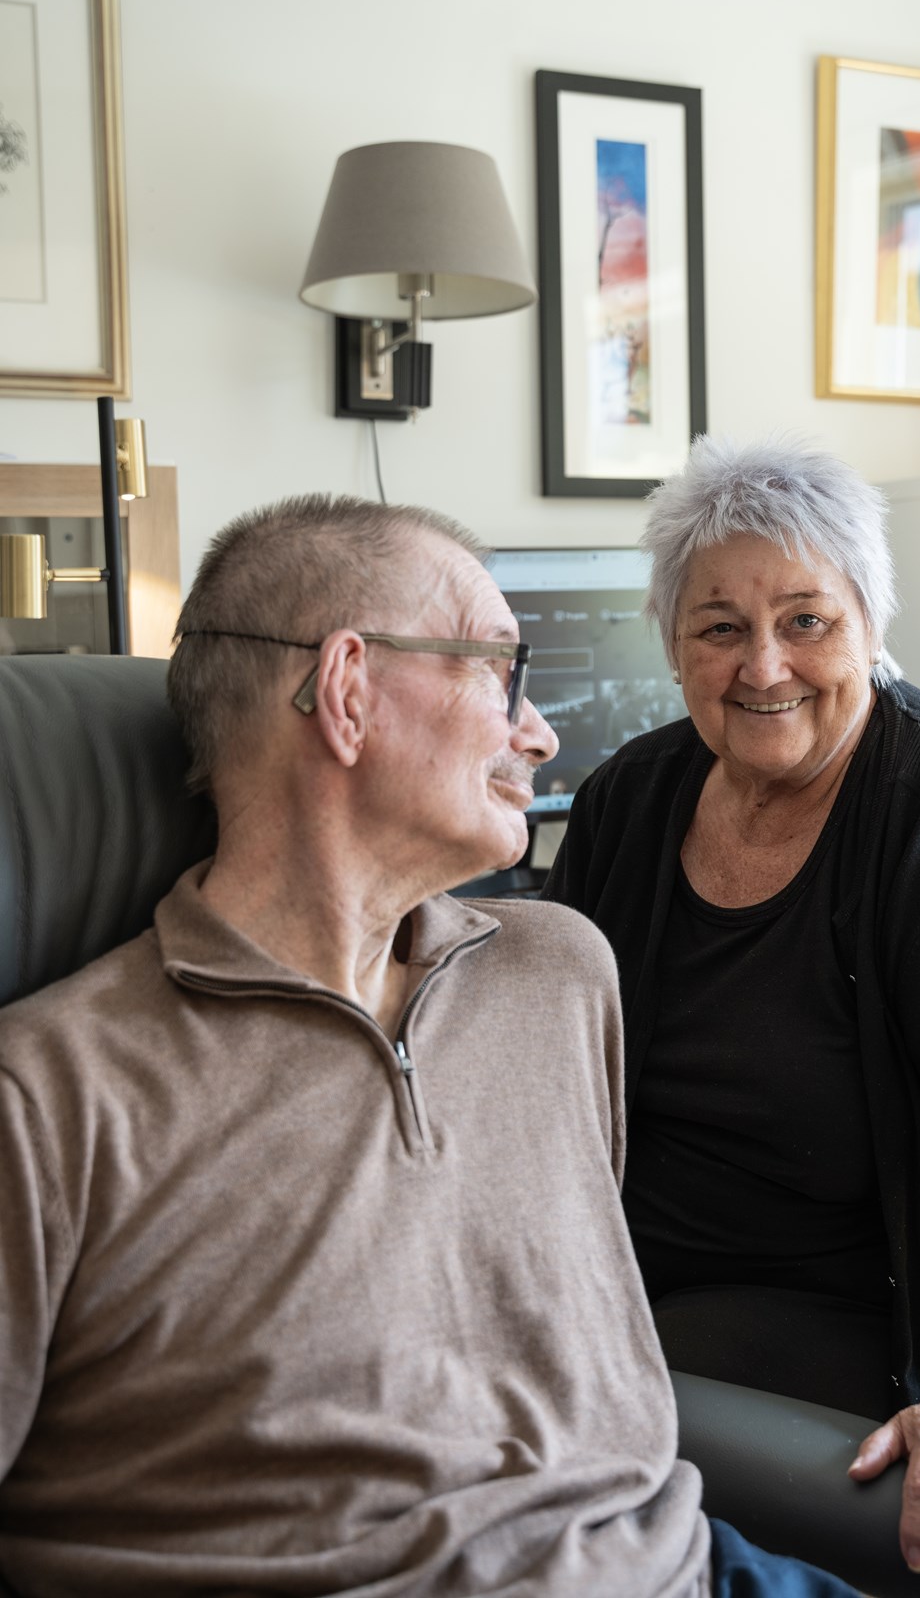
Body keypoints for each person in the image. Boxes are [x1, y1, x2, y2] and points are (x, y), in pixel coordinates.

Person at [0, 494, 858, 1598]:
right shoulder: (52, 1097)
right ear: (348, 691)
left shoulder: (557, 974)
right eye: (503, 671)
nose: (541, 733)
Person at [543, 437, 920, 1593]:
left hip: (853, 1315)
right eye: (720, 627)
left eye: (807, 620)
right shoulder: (630, 798)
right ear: (674, 649)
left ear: (870, 621)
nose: (763, 664)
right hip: (618, 1288)